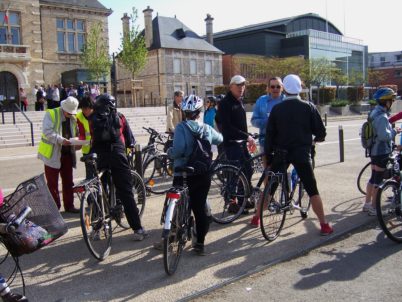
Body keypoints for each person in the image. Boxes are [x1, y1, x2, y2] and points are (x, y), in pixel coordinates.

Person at [264, 74, 333, 236]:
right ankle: (324, 224)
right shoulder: (308, 107)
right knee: (312, 189)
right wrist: (315, 140)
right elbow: (321, 133)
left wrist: (268, 156)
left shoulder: (277, 109)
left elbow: (269, 136)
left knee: (270, 186)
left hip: (281, 152)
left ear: (285, 89)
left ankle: (256, 218)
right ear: (300, 88)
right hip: (302, 153)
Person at [167, 95, 223, 255]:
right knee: (199, 208)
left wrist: (170, 152)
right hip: (203, 173)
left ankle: (175, 235)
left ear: (185, 112)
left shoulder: (181, 128)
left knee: (178, 205)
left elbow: (178, 150)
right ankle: (200, 244)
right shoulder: (206, 128)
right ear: (200, 112)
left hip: (183, 173)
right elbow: (220, 139)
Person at [90, 94, 147, 241]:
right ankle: (137, 229)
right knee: (126, 192)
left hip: (99, 156)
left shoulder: (93, 118)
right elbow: (130, 140)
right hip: (117, 155)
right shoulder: (120, 117)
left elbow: (92, 138)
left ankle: (96, 229)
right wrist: (129, 150)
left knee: (100, 192)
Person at [215, 75, 256, 213]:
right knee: (234, 174)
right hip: (231, 143)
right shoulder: (226, 103)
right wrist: (247, 136)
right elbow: (226, 126)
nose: (241, 88)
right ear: (230, 86)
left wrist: (247, 137)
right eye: (238, 85)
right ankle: (233, 203)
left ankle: (242, 200)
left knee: (248, 170)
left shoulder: (239, 101)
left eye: (243, 85)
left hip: (241, 142)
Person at [249, 76, 285, 227]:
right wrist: (269, 121)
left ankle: (271, 198)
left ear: (282, 87)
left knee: (281, 174)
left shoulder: (286, 101)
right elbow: (253, 120)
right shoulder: (262, 101)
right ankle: (268, 199)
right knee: (268, 173)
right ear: (268, 88)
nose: (275, 89)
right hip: (266, 142)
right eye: (272, 87)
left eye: (278, 86)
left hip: (284, 142)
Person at [37, 96, 80, 213]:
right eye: (68, 112)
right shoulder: (51, 114)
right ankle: (55, 208)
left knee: (68, 181)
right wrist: (62, 140)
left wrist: (77, 142)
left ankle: (69, 206)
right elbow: (47, 132)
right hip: (52, 154)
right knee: (52, 184)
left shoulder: (73, 118)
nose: (70, 114)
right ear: (63, 108)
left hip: (67, 154)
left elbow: (75, 132)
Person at [363, 87, 401, 216]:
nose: (392, 103)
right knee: (378, 181)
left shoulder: (373, 113)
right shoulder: (382, 116)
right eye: (391, 100)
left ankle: (367, 204)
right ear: (387, 102)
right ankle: (374, 208)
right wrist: (395, 131)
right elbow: (384, 136)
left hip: (373, 151)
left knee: (373, 178)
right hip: (381, 151)